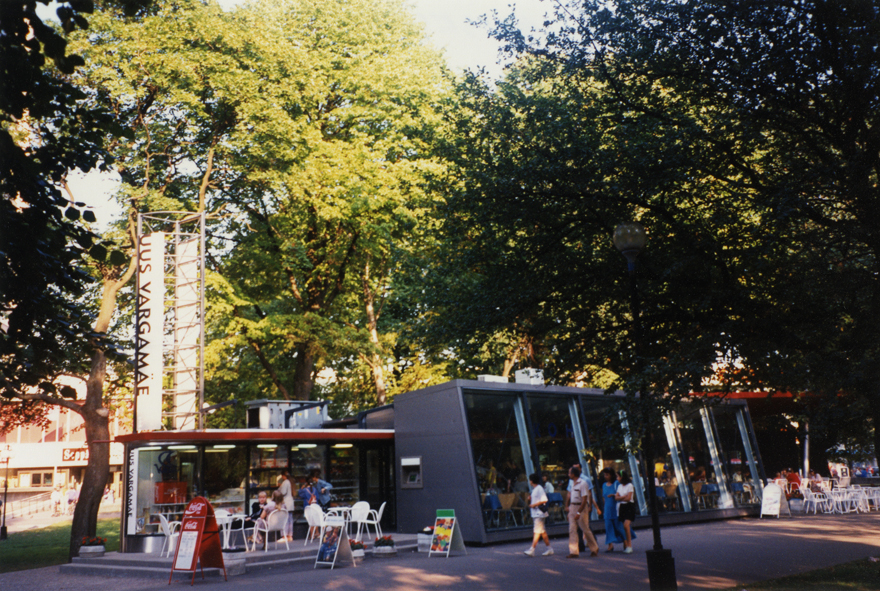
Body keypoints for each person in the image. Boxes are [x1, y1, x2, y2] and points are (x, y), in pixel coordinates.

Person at [565, 465, 599, 558]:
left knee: (585, 529)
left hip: (581, 508)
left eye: (569, 473)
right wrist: (569, 509)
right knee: (572, 530)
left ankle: (594, 548)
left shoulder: (583, 483)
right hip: (573, 507)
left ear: (573, 474)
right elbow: (570, 496)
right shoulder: (572, 483)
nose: (568, 475)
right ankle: (574, 551)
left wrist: (579, 512)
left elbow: (584, 500)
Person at [523, 473, 553, 556]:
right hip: (536, 513)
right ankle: (549, 549)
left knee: (536, 531)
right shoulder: (535, 489)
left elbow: (544, 500)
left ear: (531, 481)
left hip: (538, 513)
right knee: (542, 531)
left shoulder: (539, 488)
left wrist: (534, 504)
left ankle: (532, 549)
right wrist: (530, 500)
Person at [600, 468, 626, 552]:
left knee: (618, 526)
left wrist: (614, 495)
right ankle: (610, 545)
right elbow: (604, 497)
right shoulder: (604, 485)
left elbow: (621, 494)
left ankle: (625, 541)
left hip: (616, 508)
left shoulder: (616, 483)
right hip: (607, 508)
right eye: (604, 475)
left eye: (607, 475)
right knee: (608, 526)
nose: (605, 476)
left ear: (611, 475)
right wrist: (604, 508)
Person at [614, 470, 636, 554]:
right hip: (622, 507)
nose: (617, 478)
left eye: (618, 476)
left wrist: (620, 497)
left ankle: (629, 545)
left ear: (622, 477)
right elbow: (616, 498)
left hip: (629, 506)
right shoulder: (619, 486)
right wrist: (623, 496)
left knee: (626, 525)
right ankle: (627, 544)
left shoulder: (630, 485)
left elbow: (629, 498)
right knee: (625, 526)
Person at [276, 472, 295, 541]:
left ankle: (284, 536)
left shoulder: (285, 482)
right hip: (290, 502)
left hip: (286, 503)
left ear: (284, 476)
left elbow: (283, 492)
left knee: (285, 519)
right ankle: (290, 535)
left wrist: (279, 488)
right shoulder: (290, 482)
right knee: (290, 519)